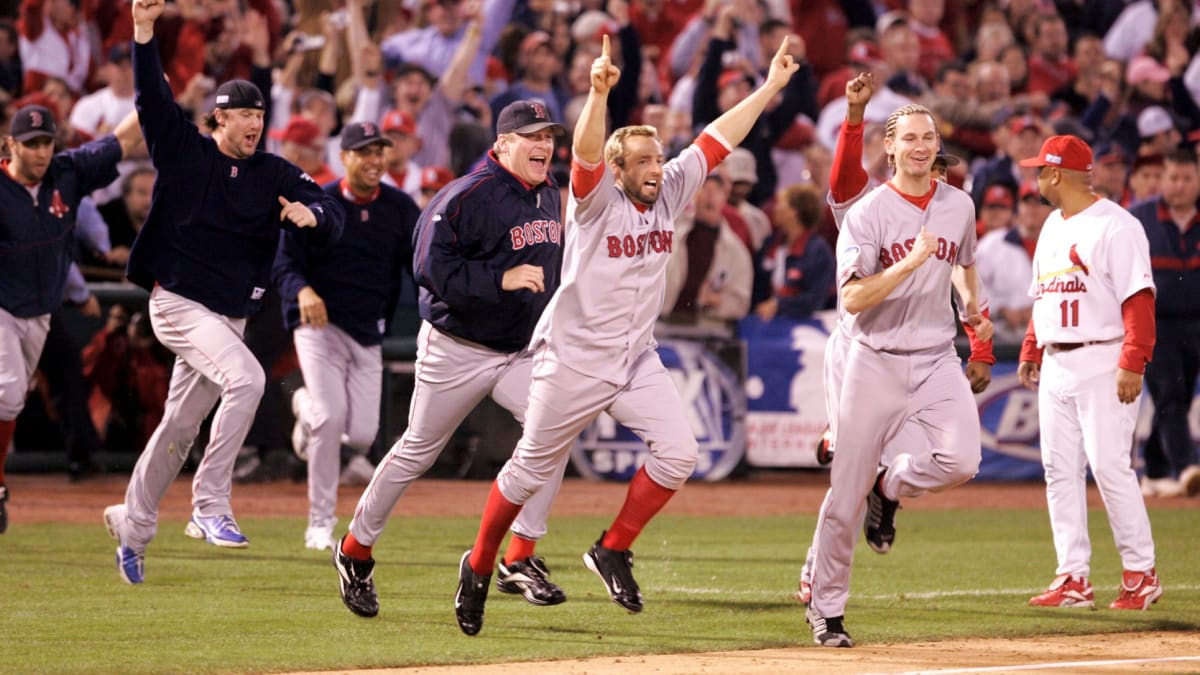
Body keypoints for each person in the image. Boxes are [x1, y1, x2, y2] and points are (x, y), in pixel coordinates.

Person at [451, 35, 801, 637]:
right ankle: (480, 564)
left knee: (680, 455)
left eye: (655, 156)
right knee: (529, 470)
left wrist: (769, 87)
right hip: (574, 358)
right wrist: (597, 92)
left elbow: (719, 138)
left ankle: (612, 548)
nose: (653, 167)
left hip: (636, 358)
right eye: (639, 159)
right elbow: (587, 151)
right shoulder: (593, 200)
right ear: (618, 170)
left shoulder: (671, 187)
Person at [102, 0, 345, 585]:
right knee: (249, 379)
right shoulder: (186, 151)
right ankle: (209, 506)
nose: (254, 123)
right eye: (242, 115)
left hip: (229, 315)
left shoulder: (273, 171)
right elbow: (151, 101)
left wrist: (312, 216)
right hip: (179, 302)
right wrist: (143, 32)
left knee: (180, 426)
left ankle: (132, 524)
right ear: (218, 119)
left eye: (259, 113)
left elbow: (329, 208)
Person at [330, 99, 567, 620]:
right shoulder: (466, 195)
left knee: (554, 429)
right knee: (418, 451)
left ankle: (519, 555)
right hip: (456, 347)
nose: (545, 146)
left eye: (548, 136)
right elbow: (428, 268)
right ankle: (354, 550)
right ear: (503, 143)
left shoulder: (549, 193)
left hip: (517, 349)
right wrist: (497, 280)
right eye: (533, 136)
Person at [806, 96, 989, 647]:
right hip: (874, 358)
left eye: (927, 138)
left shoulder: (959, 204)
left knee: (962, 460)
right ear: (888, 147)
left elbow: (965, 262)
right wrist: (908, 263)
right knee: (843, 493)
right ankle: (827, 609)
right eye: (908, 138)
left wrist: (972, 313)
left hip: (935, 356)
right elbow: (854, 298)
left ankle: (891, 484)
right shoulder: (868, 213)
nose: (919, 146)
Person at [1015, 135, 1162, 610]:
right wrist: (1032, 348)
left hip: (1104, 356)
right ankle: (1072, 577)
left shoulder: (1116, 226)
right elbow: (1046, 295)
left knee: (1109, 466)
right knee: (1059, 471)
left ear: (1056, 174)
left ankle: (1141, 572)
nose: (1035, 177)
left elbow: (1138, 298)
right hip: (1058, 360)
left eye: (1040, 169)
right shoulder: (1053, 227)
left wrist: (1133, 360)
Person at [276, 122, 421, 552]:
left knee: (360, 436)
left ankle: (303, 408)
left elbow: (420, 261)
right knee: (330, 418)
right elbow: (284, 264)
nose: (374, 160)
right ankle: (319, 522)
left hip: (367, 329)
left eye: (379, 151)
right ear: (345, 157)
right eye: (365, 152)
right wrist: (301, 290)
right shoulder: (319, 200)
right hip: (319, 327)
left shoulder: (398, 206)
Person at [1, 102, 141, 533]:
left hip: (41, 309)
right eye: (31, 144)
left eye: (46, 142)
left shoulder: (68, 172)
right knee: (6, 392)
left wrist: (152, 79)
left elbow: (124, 138)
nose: (41, 152)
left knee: (15, 397)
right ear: (9, 145)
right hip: (3, 305)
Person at [1128, 149, 1200, 497]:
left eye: (1187, 178)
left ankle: (1155, 469)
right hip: (1155, 322)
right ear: (1162, 179)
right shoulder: (1139, 218)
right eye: (1173, 177)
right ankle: (1187, 467)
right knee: (1170, 393)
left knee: (1181, 398)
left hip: (1197, 323)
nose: (1180, 186)